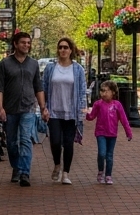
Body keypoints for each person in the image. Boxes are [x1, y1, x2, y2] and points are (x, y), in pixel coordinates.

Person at [0, 30, 47, 186]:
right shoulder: (4, 64)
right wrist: (0, 109)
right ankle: (16, 167)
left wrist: (43, 107)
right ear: (15, 44)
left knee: (25, 140)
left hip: (28, 109)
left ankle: (25, 173)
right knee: (11, 143)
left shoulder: (33, 64)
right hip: (9, 110)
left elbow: (38, 87)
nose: (26, 45)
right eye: (23, 42)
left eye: (28, 43)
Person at [41, 37, 86, 184]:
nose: (63, 50)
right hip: (54, 111)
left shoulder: (78, 69)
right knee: (55, 141)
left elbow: (82, 91)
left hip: (71, 112)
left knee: (68, 143)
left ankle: (66, 173)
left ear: (71, 50)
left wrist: (81, 110)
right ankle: (57, 165)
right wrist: (43, 107)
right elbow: (44, 88)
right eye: (60, 47)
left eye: (66, 47)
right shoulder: (50, 68)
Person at [86, 80, 134, 184]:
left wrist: (128, 132)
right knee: (102, 153)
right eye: (102, 91)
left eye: (106, 91)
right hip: (101, 132)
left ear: (113, 92)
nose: (103, 93)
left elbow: (124, 119)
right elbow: (92, 116)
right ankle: (100, 171)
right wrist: (87, 114)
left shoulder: (117, 105)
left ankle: (108, 175)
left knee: (109, 155)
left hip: (112, 133)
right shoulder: (98, 104)